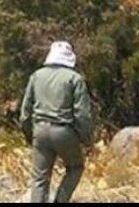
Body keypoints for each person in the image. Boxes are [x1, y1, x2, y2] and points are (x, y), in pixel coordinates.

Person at [20, 41, 94, 203]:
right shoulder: (74, 79)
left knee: (39, 178)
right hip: (63, 132)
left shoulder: (36, 76)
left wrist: (29, 135)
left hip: (39, 130)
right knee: (75, 167)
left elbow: (25, 111)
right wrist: (87, 140)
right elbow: (82, 114)